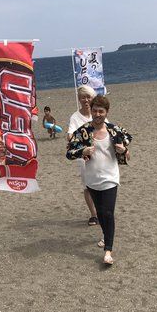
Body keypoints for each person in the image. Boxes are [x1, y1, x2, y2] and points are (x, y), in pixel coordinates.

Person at [66, 95, 132, 266]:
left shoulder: (114, 130)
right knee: (101, 213)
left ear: (106, 112)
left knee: (108, 213)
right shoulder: (83, 131)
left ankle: (108, 251)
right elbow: (69, 153)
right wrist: (82, 151)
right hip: (92, 179)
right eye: (95, 111)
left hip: (110, 177)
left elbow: (127, 144)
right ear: (91, 111)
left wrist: (124, 150)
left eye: (101, 111)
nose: (97, 114)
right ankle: (105, 234)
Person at [67, 85, 98, 226]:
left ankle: (102, 211)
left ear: (93, 98)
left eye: (88, 97)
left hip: (100, 154)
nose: (86, 100)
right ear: (79, 99)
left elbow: (109, 130)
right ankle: (93, 215)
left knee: (101, 184)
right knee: (88, 186)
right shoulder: (75, 117)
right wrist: (72, 138)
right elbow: (70, 134)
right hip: (84, 157)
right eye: (82, 97)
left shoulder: (98, 113)